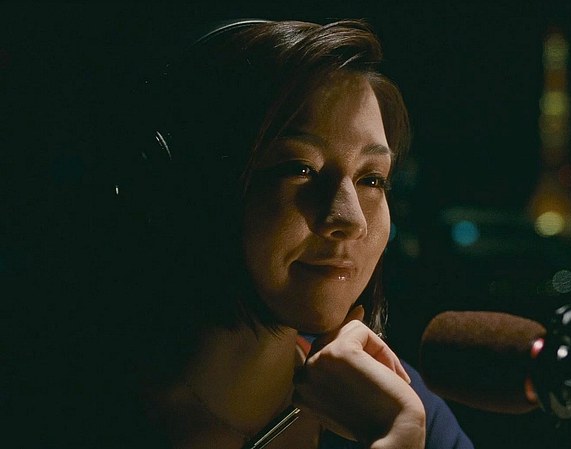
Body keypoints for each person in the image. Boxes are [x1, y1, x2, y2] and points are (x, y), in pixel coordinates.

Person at [90, 18, 474, 449]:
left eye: (372, 179)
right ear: (192, 186)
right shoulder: (71, 406)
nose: (351, 219)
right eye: (300, 169)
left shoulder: (402, 406)